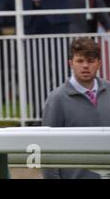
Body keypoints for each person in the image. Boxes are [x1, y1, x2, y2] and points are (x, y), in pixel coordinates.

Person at [42, 38, 110, 179]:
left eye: (91, 61)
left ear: (99, 64)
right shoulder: (56, 99)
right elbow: (47, 149)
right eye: (80, 61)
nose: (85, 66)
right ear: (70, 63)